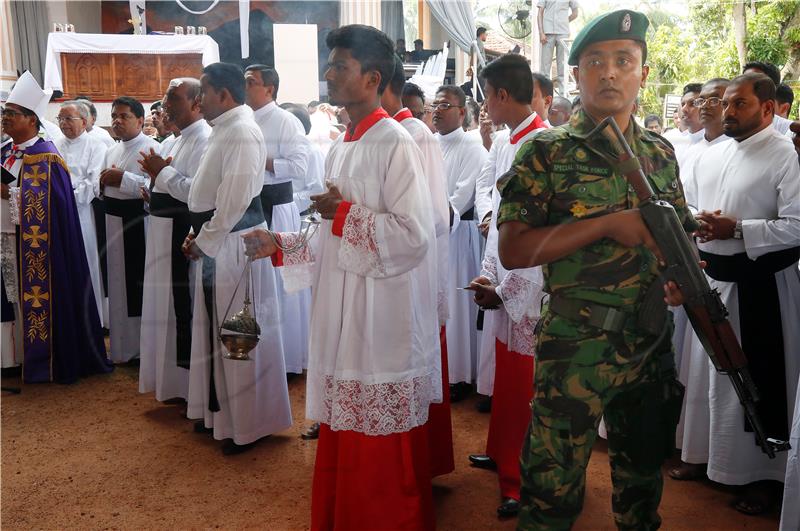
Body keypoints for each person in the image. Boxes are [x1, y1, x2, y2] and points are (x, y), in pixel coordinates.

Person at [496, 11, 696, 528]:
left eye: (624, 62)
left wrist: (678, 279)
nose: (610, 73)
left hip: (650, 347)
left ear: (643, 74)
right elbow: (514, 251)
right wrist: (609, 224)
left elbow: (679, 237)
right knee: (551, 491)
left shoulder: (660, 154)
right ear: (577, 75)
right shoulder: (546, 152)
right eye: (595, 62)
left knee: (642, 486)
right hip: (574, 348)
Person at [241, 25, 440, 530]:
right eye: (329, 65)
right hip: (343, 305)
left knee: (374, 425)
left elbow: (415, 234)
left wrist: (347, 214)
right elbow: (330, 230)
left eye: (340, 66)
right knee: (345, 418)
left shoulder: (395, 141)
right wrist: (282, 245)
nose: (329, 74)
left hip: (380, 310)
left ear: (372, 77)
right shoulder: (343, 143)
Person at [688, 72, 800, 515]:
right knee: (714, 383)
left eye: (740, 105)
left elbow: (797, 225)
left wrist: (738, 229)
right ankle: (717, 462)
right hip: (716, 283)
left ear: (768, 109)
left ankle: (766, 478)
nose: (728, 112)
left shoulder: (784, 157)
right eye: (726, 103)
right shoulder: (716, 153)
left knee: (761, 381)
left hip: (764, 291)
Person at [183, 62, 292, 455]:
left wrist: (206, 238)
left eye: (204, 93)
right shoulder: (225, 129)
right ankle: (221, 417)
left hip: (235, 244)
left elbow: (234, 200)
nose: (198, 102)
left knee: (238, 334)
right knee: (216, 332)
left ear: (224, 96)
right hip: (217, 240)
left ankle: (247, 425)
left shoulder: (242, 132)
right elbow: (208, 193)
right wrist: (197, 232)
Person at [465, 53, 548, 519]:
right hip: (501, 272)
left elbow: (540, 235)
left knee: (522, 386)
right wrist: (489, 274)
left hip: (529, 288)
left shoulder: (543, 145)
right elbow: (497, 210)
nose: (484, 107)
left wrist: (508, 288)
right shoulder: (503, 141)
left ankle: (519, 481)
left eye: (485, 97)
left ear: (500, 95)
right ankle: (500, 454)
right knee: (504, 378)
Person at [0, 71, 112, 383]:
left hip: (35, 244)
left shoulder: (46, 156)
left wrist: (7, 192)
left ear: (32, 119)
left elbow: (51, 203)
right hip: (4, 236)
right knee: (8, 299)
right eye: (4, 113)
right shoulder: (6, 151)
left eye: (11, 113)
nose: (5, 118)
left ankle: (41, 359)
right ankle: (12, 357)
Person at [382, 57, 453, 478]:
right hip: (394, 261)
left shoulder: (416, 135)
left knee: (414, 361)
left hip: (413, 267)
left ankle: (419, 463)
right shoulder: (387, 134)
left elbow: (435, 219)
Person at [668, 77, 732, 482]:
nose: (705, 107)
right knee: (685, 366)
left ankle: (717, 458)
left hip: (721, 267)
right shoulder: (689, 149)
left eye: (715, 100)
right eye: (700, 100)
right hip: (685, 259)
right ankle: (684, 444)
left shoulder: (738, 148)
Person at [137, 78, 211, 403]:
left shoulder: (205, 140)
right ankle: (171, 383)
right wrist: (153, 184)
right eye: (166, 98)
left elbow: (197, 194)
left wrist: (161, 174)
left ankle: (186, 387)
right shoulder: (175, 140)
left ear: (197, 103)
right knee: (164, 307)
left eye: (174, 98)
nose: (166, 105)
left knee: (182, 309)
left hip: (182, 233)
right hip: (162, 230)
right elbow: (167, 184)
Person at [244, 64, 312, 376]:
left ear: (269, 88)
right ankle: (263, 354)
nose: (245, 87)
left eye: (251, 82)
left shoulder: (286, 121)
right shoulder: (243, 119)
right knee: (260, 284)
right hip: (251, 208)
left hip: (279, 210)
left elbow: (300, 166)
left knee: (286, 284)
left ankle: (289, 358)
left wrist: (263, 161)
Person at [433, 85, 486, 404]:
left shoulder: (472, 147)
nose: (437, 111)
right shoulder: (428, 143)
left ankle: (459, 375)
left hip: (458, 236)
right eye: (434, 105)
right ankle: (438, 370)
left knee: (457, 307)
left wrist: (434, 222)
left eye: (445, 105)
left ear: (462, 112)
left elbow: (462, 195)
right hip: (431, 234)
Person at [100, 96, 160, 363]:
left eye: (124, 116)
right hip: (113, 221)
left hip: (138, 224)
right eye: (114, 116)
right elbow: (98, 181)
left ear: (139, 119)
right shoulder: (112, 149)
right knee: (117, 284)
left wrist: (122, 178)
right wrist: (103, 182)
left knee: (138, 286)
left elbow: (157, 188)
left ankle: (142, 350)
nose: (117, 121)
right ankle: (123, 348)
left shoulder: (151, 148)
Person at [54, 100, 108, 327]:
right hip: (57, 213)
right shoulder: (54, 145)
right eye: (60, 119)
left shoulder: (97, 146)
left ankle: (92, 319)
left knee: (86, 262)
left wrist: (64, 196)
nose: (63, 124)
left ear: (84, 122)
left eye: (69, 119)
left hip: (82, 213)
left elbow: (93, 184)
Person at [279, 103, 325, 214]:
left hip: (301, 215)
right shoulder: (279, 150)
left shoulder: (312, 152)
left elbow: (316, 191)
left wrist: (284, 202)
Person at [537, 0, 579, 95]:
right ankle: (545, 96)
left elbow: (575, 13)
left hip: (563, 33)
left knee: (563, 67)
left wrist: (564, 21)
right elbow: (540, 13)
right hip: (547, 33)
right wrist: (541, 32)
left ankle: (562, 96)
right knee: (544, 68)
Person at [743, 61, 793, 135]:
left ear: (773, 90)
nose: (744, 89)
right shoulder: (728, 126)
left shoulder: (789, 131)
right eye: (742, 82)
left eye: (755, 84)